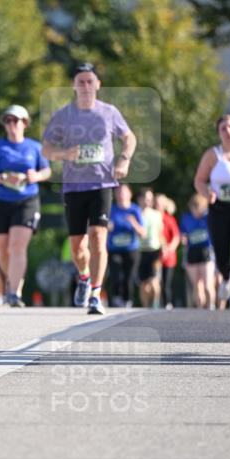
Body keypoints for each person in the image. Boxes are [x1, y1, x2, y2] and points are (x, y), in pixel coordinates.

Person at [42, 62, 136, 316]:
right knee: (77, 246)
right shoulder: (63, 115)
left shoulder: (109, 112)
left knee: (97, 237)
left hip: (102, 183)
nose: (85, 86)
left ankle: (95, 293)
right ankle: (83, 276)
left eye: (89, 81)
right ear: (74, 85)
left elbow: (129, 137)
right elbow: (46, 148)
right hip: (73, 187)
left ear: (98, 85)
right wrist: (64, 154)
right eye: (80, 81)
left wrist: (124, 159)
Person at [0, 104, 50, 307]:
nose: (11, 125)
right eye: (8, 121)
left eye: (15, 120)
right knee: (2, 249)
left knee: (17, 246)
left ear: (25, 123)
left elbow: (46, 171)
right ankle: (11, 282)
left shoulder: (35, 147)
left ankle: (14, 292)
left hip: (26, 200)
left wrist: (36, 176)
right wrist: (2, 178)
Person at [194, 113, 230, 307]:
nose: (228, 131)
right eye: (223, 128)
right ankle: (226, 277)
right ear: (218, 133)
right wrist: (206, 192)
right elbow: (199, 180)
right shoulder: (213, 155)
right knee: (221, 249)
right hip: (219, 209)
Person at [107, 184, 145, 307]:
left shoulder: (135, 210)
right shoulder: (111, 210)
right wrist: (108, 227)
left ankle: (128, 300)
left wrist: (134, 223)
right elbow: (103, 228)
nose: (121, 195)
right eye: (118, 192)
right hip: (114, 249)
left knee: (129, 277)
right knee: (115, 274)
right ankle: (116, 297)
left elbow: (143, 233)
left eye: (123, 192)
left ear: (130, 194)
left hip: (131, 249)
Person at [179, 193, 215, 309]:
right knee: (196, 285)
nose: (196, 210)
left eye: (198, 207)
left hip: (206, 251)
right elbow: (182, 233)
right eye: (193, 207)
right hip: (192, 251)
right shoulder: (186, 218)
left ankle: (211, 306)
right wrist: (183, 238)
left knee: (207, 284)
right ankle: (200, 310)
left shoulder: (208, 217)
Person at [136, 188, 164, 308]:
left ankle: (156, 305)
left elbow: (160, 232)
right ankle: (145, 307)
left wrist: (164, 247)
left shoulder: (157, 214)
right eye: (146, 199)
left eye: (150, 199)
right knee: (143, 284)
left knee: (154, 280)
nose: (148, 201)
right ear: (140, 200)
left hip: (154, 250)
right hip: (140, 251)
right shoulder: (135, 213)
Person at [155, 194, 180, 309]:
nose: (158, 204)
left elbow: (176, 237)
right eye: (157, 202)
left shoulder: (169, 219)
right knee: (155, 281)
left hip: (168, 257)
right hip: (155, 255)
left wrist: (168, 249)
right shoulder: (151, 216)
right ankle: (155, 303)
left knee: (166, 282)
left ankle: (167, 303)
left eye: (160, 202)